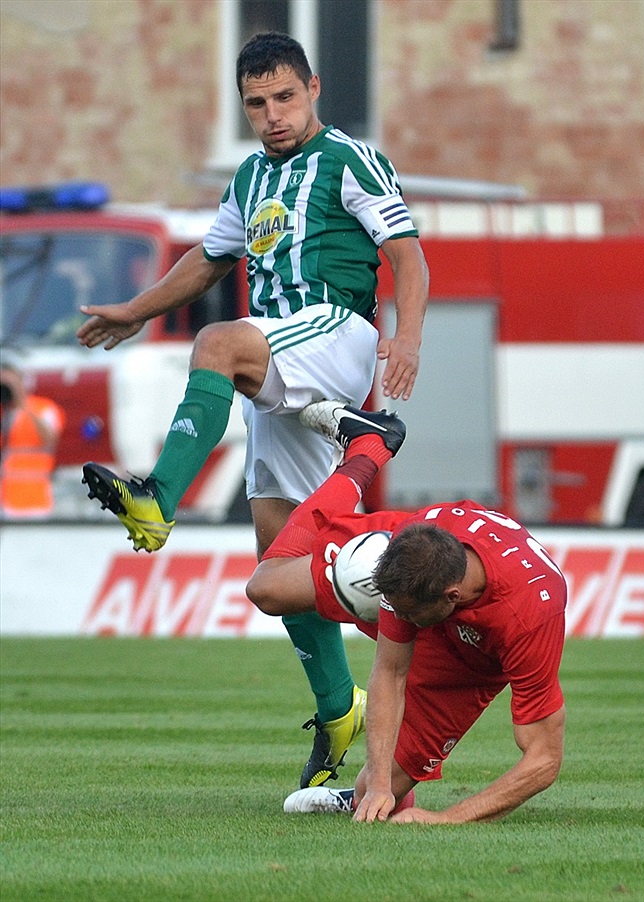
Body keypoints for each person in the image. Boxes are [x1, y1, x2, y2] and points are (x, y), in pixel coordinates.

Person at [75, 31, 429, 788]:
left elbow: (406, 252)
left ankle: (158, 499)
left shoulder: (348, 158)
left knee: (215, 342)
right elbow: (208, 259)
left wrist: (408, 337)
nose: (272, 115)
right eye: (256, 103)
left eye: (284, 98)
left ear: (314, 91)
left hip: (333, 331)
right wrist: (138, 310)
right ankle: (341, 710)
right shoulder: (248, 178)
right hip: (277, 359)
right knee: (282, 556)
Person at [249, 401, 568, 824]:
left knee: (371, 794)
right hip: (413, 564)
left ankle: (358, 793)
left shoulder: (529, 618)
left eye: (402, 614)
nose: (393, 620)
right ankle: (368, 449)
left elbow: (543, 759)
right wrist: (379, 780)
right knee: (267, 588)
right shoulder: (410, 556)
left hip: (470, 662)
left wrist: (447, 819)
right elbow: (390, 669)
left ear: (451, 597)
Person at [0, 353, 66, 518]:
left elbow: (49, 439)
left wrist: (22, 403)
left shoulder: (44, 409)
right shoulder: (3, 412)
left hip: (36, 503)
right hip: (6, 502)